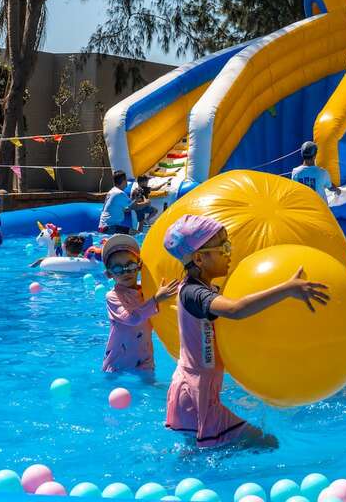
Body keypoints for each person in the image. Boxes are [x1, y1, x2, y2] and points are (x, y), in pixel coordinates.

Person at [163, 214, 330, 449]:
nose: (229, 252)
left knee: (200, 452)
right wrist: (287, 289)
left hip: (195, 390)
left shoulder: (202, 289)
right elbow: (236, 310)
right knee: (267, 443)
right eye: (224, 247)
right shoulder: (194, 293)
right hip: (195, 393)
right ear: (199, 258)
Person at [101, 234, 179, 374]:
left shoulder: (146, 292)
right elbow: (132, 319)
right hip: (119, 363)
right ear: (109, 274)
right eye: (118, 269)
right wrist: (156, 299)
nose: (126, 272)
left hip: (145, 360)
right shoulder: (113, 297)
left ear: (139, 266)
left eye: (130, 265)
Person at [99, 170, 134, 235]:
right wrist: (141, 201)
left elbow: (126, 209)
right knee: (136, 233)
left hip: (103, 226)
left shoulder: (112, 191)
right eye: (126, 180)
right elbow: (134, 206)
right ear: (124, 181)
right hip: (110, 228)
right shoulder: (120, 193)